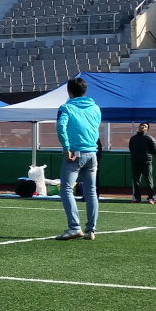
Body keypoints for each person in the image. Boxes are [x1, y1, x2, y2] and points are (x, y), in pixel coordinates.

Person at [56, 76, 102, 240]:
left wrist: (66, 147)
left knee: (66, 189)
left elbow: (61, 127)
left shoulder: (66, 108)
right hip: (92, 153)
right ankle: (91, 230)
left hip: (75, 153)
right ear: (85, 91)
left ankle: (74, 227)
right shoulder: (95, 108)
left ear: (69, 92)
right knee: (91, 191)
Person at [129, 121, 156, 204]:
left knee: (149, 181)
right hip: (135, 162)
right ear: (139, 127)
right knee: (136, 181)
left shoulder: (150, 138)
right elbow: (131, 149)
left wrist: (148, 157)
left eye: (145, 126)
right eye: (142, 125)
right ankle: (137, 198)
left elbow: (155, 150)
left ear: (147, 129)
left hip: (146, 163)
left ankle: (150, 198)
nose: (143, 127)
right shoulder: (133, 138)